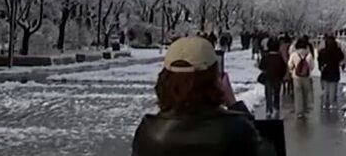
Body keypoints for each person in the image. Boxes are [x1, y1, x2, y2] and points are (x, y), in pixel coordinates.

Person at [131, 36, 274, 156]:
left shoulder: (149, 133)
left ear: (164, 81)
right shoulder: (236, 129)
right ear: (213, 79)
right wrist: (233, 103)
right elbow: (267, 149)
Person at [259, 36, 288, 119]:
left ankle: (269, 109)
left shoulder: (266, 57)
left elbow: (261, 66)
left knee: (268, 94)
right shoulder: (279, 57)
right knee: (276, 94)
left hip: (268, 78)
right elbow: (283, 68)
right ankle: (276, 107)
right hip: (277, 78)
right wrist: (281, 76)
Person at [287, 38, 315, 119]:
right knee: (305, 93)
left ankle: (299, 111)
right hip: (306, 77)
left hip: (296, 77)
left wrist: (292, 70)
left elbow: (290, 64)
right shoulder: (309, 55)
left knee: (298, 94)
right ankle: (305, 108)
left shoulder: (294, 54)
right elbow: (312, 66)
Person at [318, 35, 346, 109]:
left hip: (325, 71)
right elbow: (341, 59)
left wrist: (321, 67)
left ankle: (324, 103)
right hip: (334, 71)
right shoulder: (337, 50)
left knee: (326, 89)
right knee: (333, 88)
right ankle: (331, 103)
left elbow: (319, 60)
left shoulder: (323, 51)